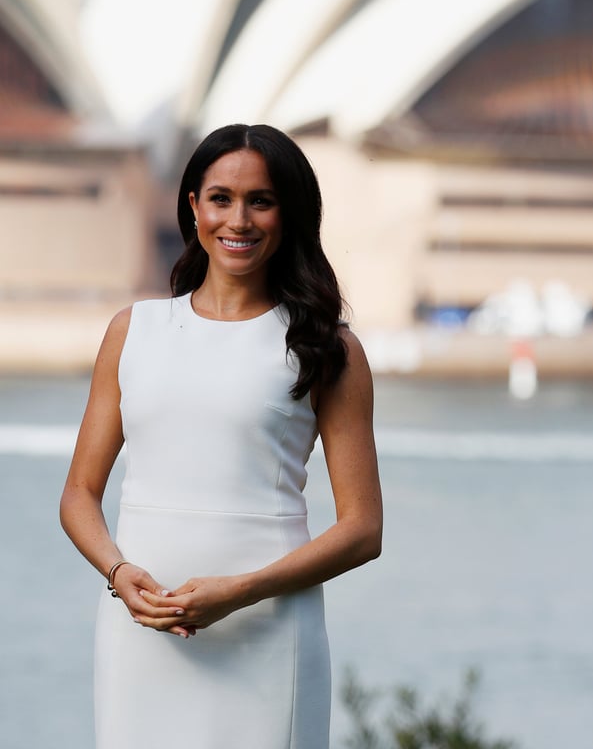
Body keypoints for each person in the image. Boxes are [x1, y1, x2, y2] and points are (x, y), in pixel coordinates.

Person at [60, 123, 383, 749]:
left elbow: (362, 529)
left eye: (261, 200)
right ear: (193, 207)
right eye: (221, 198)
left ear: (290, 214)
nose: (240, 219)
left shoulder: (325, 348)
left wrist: (238, 593)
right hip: (138, 632)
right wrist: (118, 571)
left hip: (266, 632)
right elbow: (78, 494)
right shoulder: (134, 331)